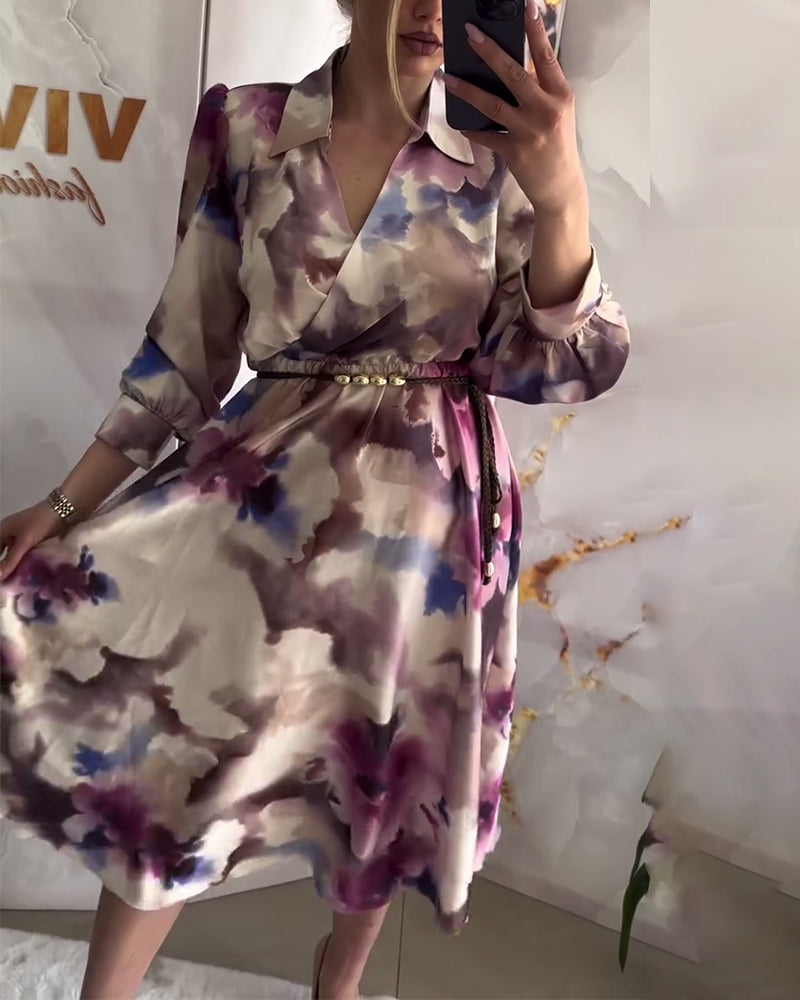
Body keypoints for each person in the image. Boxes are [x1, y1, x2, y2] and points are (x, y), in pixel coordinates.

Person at [0, 1, 629, 997]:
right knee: (184, 763)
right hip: (265, 513)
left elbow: (573, 365)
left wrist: (561, 197)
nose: (432, 6)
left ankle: (339, 981)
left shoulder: (505, 151)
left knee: (381, 773)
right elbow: (186, 351)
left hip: (431, 532)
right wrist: (67, 507)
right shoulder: (247, 128)